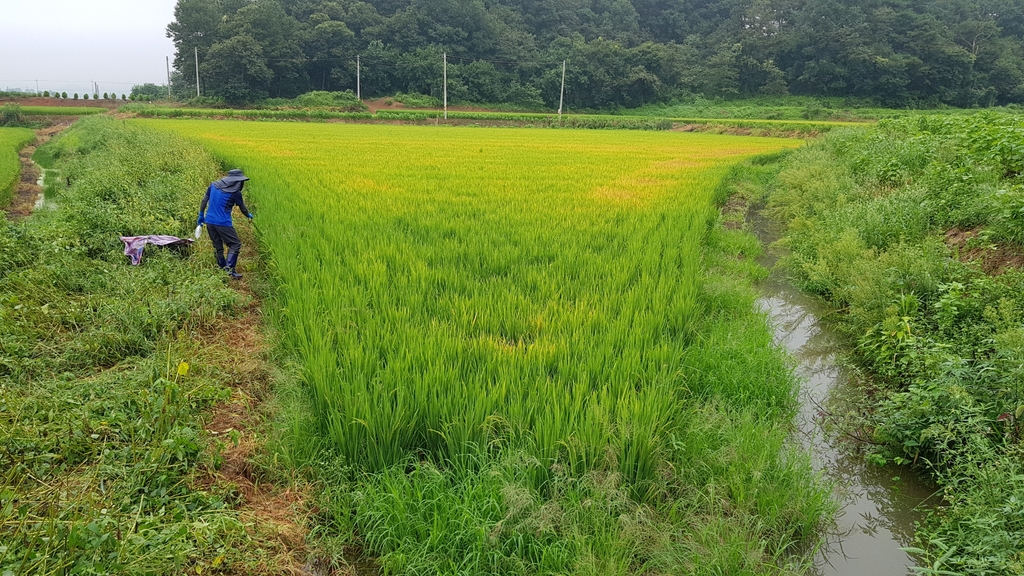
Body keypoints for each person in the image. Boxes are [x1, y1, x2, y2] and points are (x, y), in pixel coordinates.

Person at [197, 169, 253, 279]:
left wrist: (201, 215)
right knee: (235, 244)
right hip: (223, 223)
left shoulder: (213, 185)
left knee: (217, 245)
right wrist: (248, 215)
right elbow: (242, 208)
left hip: (209, 221)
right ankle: (229, 270)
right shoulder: (235, 193)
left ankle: (222, 267)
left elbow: (204, 200)